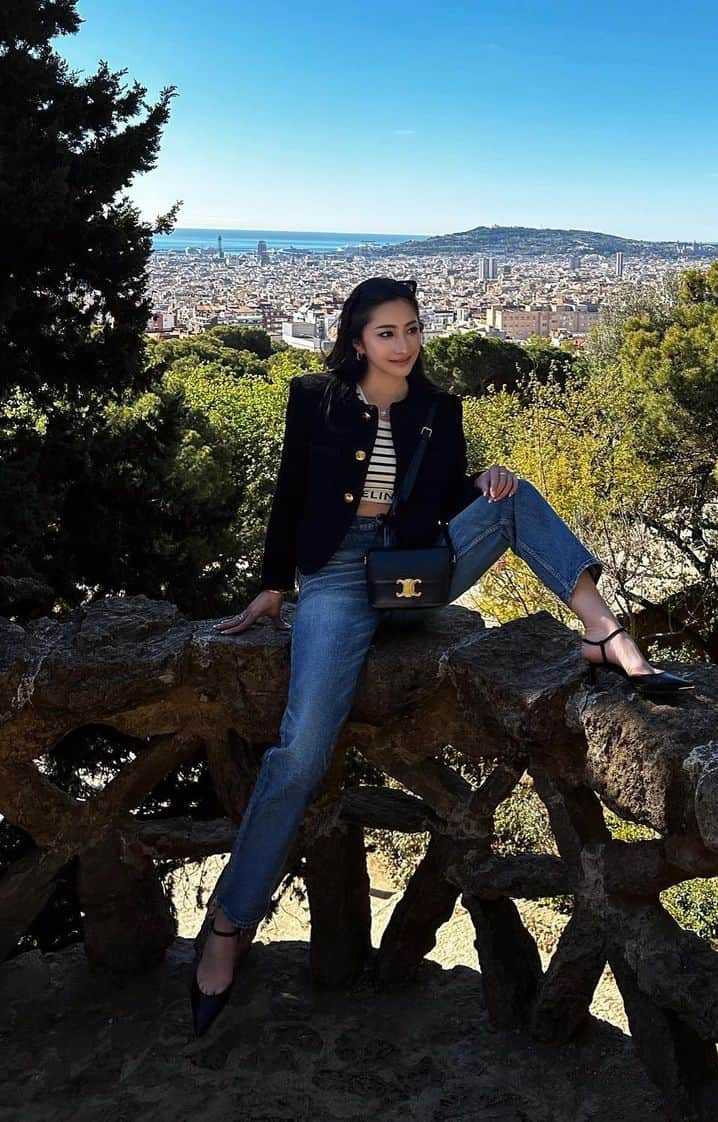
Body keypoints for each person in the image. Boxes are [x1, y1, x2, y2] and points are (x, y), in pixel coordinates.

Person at [190, 275, 691, 1035]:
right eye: (388, 332)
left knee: (514, 491)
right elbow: (290, 494)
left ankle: (602, 628)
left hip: (416, 568)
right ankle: (230, 922)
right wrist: (269, 587)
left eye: (413, 329)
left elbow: (439, 500)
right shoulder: (313, 400)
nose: (405, 344)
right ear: (356, 339)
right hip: (335, 577)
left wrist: (481, 482)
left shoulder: (438, 409)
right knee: (299, 753)